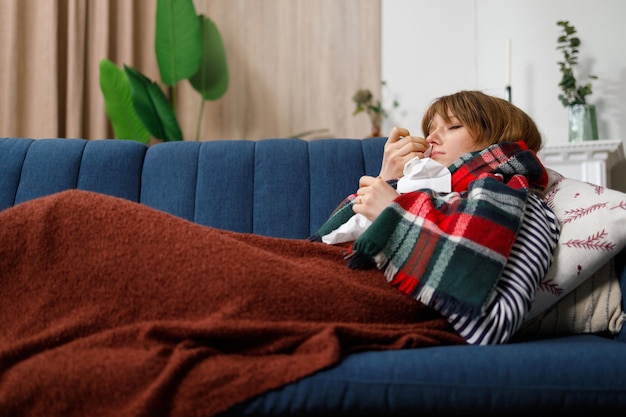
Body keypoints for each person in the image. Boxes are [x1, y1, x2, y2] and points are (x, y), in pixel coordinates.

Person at [312, 90, 560, 345]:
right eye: (430, 129)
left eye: (453, 126)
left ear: (496, 137)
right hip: (325, 277)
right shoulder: (426, 193)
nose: (431, 138)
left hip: (357, 298)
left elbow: (493, 323)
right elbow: (318, 245)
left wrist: (394, 213)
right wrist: (388, 180)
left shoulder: (516, 200)